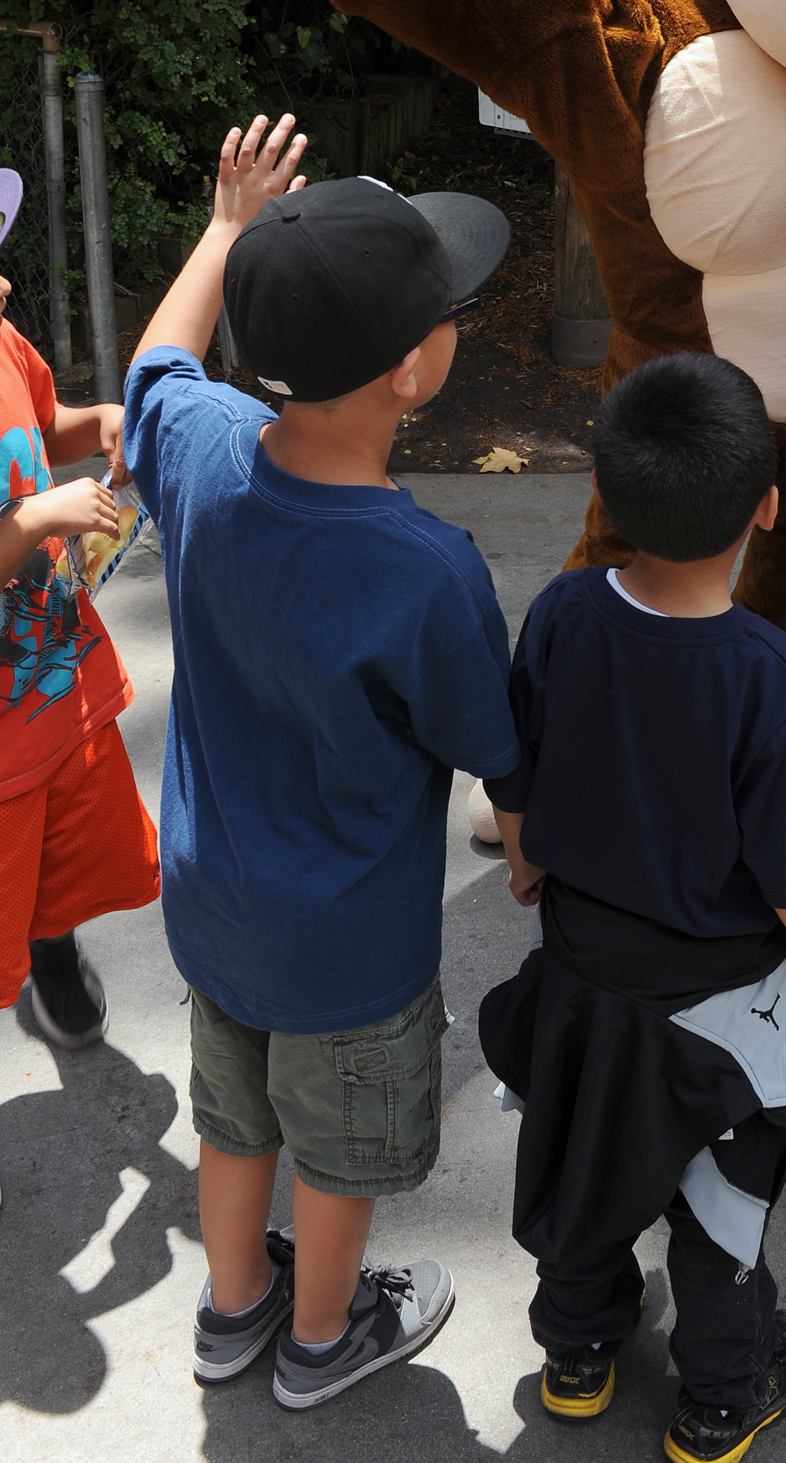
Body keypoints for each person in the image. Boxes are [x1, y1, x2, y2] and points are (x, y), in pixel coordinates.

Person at [123, 116, 518, 1408]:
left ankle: (235, 1307)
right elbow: (492, 749)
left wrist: (224, 231)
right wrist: (529, 852)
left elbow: (154, 366)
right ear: (411, 371)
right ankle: (321, 1338)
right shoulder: (429, 573)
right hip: (348, 946)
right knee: (341, 1147)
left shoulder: (201, 448)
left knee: (234, 1115)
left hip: (215, 902)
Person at [478, 352, 786, 1463]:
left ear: (606, 489)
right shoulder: (778, 679)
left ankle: (577, 1353)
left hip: (582, 977)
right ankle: (719, 1401)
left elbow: (516, 765)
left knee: (581, 1154)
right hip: (718, 1010)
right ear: (768, 505)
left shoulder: (563, 612)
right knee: (720, 1204)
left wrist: (525, 859)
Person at [0, 167, 159, 1062]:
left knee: (63, 850)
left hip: (56, 681)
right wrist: (35, 519)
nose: (5, 284)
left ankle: (51, 953)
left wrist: (97, 420)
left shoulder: (1, 341)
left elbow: (42, 419)